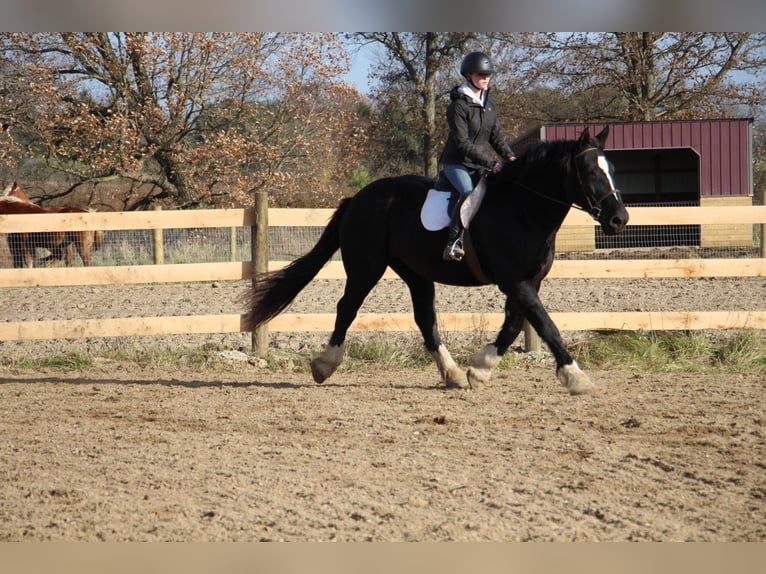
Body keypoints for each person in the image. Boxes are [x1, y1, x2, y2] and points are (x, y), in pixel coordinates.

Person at [439, 51, 516, 261]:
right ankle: (453, 242)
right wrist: (491, 162)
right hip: (457, 163)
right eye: (481, 75)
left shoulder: (489, 105)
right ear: (469, 75)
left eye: (488, 75)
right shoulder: (458, 106)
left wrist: (510, 158)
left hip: (479, 163)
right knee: (467, 191)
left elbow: (496, 137)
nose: (485, 78)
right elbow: (462, 143)